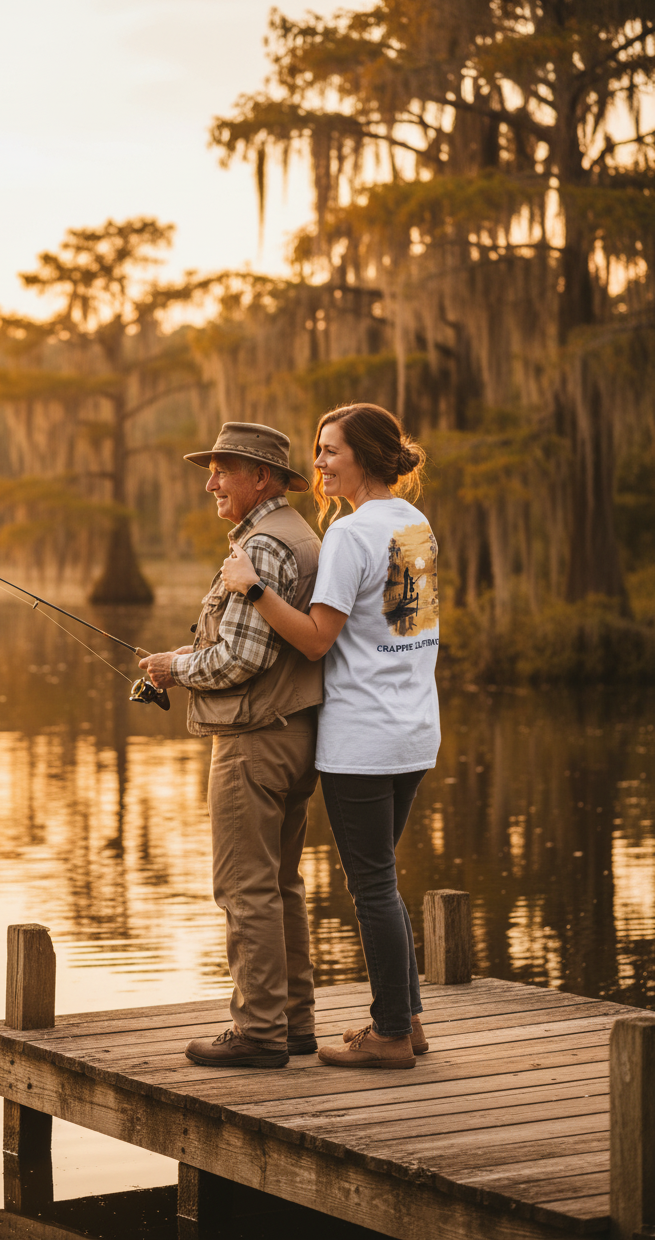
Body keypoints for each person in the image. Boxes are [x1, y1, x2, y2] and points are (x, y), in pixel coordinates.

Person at [221, 403, 439, 1070]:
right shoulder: (414, 524)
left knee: (371, 887)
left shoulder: (350, 534)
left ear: (365, 457)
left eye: (329, 451)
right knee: (384, 881)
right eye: (318, 450)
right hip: (414, 731)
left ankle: (391, 1035)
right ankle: (410, 1024)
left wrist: (253, 588)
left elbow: (316, 641)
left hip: (362, 738)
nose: (317, 464)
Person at [139, 421, 324, 1068]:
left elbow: (241, 659)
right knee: (279, 884)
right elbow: (258, 646)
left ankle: (259, 1032)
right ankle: (293, 1023)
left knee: (245, 888)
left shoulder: (266, 543)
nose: (211, 481)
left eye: (224, 468)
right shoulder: (292, 533)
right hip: (290, 731)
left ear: (262, 478)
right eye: (210, 468)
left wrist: (173, 668)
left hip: (253, 740)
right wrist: (187, 655)